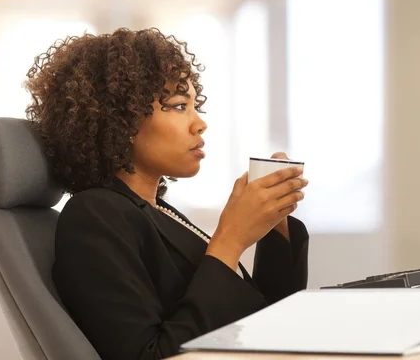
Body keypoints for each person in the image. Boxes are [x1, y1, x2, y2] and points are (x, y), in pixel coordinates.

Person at [25, 27, 309, 360]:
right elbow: (151, 355)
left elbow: (263, 319)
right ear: (121, 120)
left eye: (193, 106)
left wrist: (273, 222)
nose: (199, 123)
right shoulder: (94, 215)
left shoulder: (157, 211)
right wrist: (229, 241)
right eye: (177, 106)